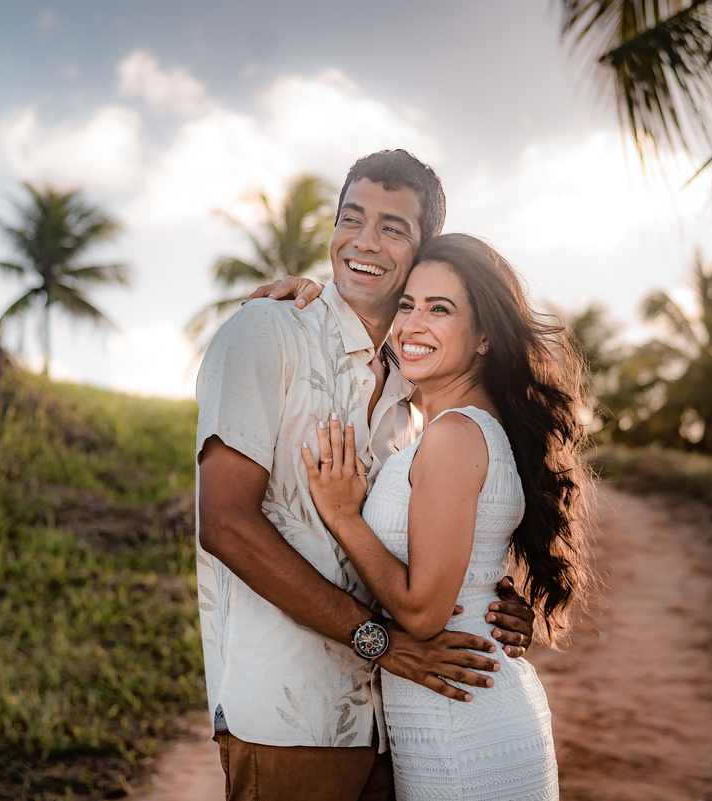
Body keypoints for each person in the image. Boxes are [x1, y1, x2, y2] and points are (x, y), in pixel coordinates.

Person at [195, 151, 536, 801]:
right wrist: (380, 641)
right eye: (351, 218)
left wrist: (493, 593)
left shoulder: (417, 390)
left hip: (395, 726)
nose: (364, 241)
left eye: (392, 228)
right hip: (291, 716)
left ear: (423, 253)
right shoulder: (267, 332)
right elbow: (226, 523)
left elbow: (445, 519)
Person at [299, 233, 590, 799]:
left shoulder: (454, 435)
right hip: (463, 713)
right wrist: (305, 291)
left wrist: (344, 516)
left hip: (462, 729)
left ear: (483, 337)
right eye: (406, 304)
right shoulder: (457, 429)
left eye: (440, 309)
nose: (411, 324)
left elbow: (423, 614)